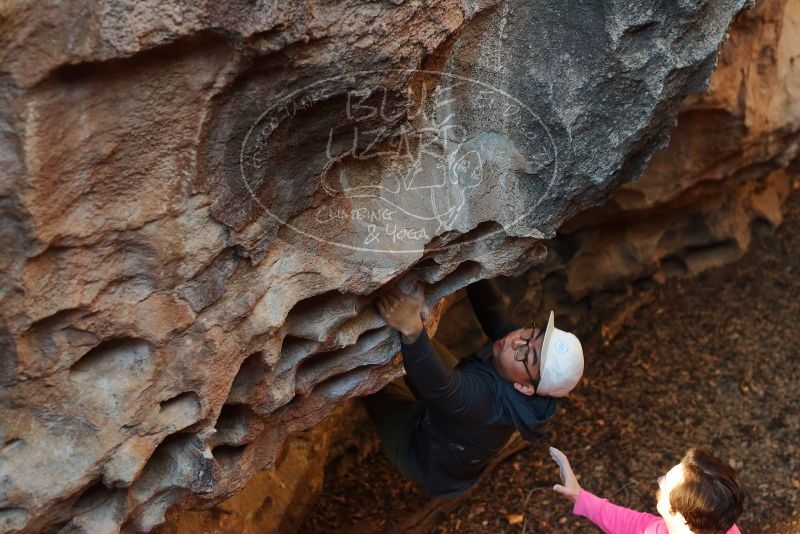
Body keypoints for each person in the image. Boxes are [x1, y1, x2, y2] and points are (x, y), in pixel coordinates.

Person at [363, 278, 584, 498]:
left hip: (421, 453)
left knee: (371, 371)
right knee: (413, 348)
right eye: (532, 334)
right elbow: (493, 310)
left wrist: (411, 328)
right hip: (451, 413)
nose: (516, 341)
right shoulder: (520, 360)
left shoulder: (488, 405)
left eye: (528, 354)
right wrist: (473, 268)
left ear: (524, 388)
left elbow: (441, 387)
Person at [548, 446, 745, 534]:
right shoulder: (719, 523)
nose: (659, 480)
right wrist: (578, 495)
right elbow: (627, 523)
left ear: (680, 516)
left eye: (666, 483)